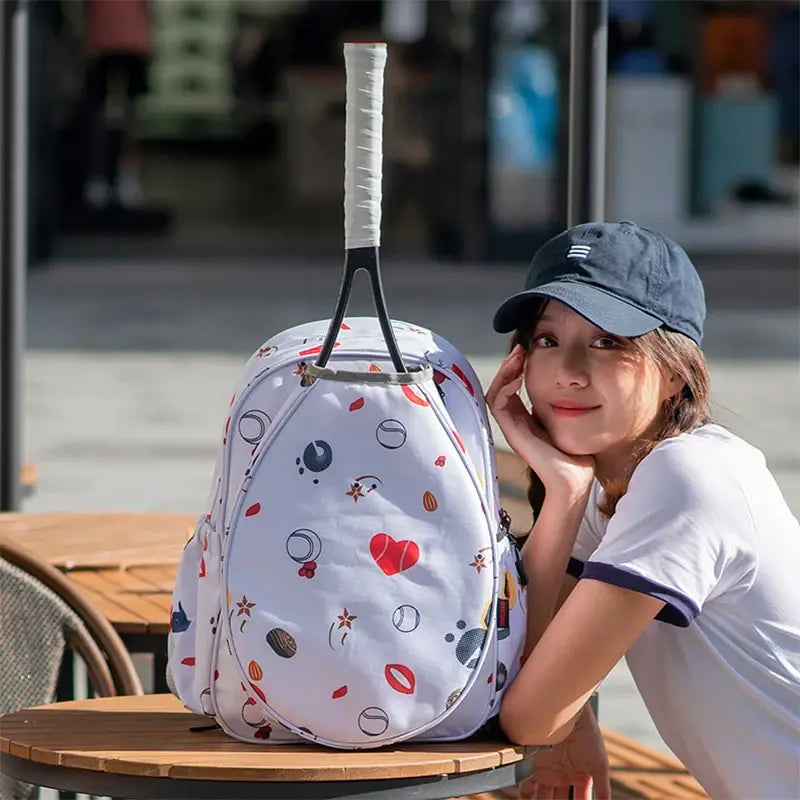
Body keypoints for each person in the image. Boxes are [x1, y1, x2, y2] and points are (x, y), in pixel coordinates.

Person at [485, 221, 800, 800]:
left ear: (677, 371)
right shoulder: (606, 481)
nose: (569, 371)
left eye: (609, 343)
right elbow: (517, 653)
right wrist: (564, 496)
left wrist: (557, 723)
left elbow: (529, 715)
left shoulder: (687, 478)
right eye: (547, 341)